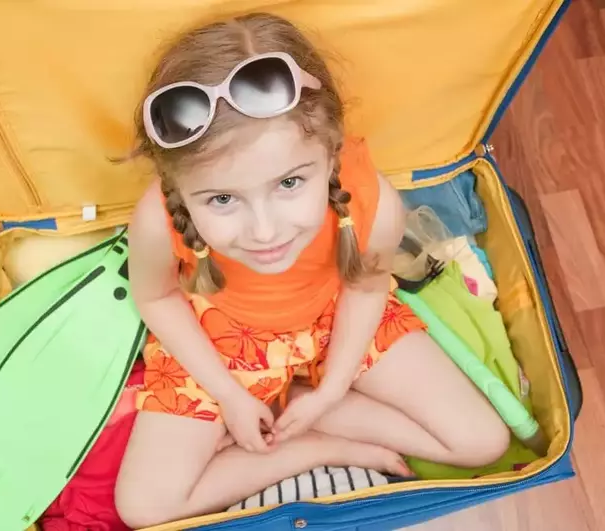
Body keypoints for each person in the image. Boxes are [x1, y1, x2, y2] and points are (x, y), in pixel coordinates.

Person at [115, 12, 509, 529]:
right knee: (143, 507)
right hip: (222, 342)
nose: (264, 231)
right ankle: (308, 447)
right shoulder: (155, 218)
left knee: (484, 442)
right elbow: (158, 297)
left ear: (330, 152)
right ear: (180, 187)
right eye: (222, 198)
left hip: (335, 318)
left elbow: (366, 291)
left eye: (289, 184)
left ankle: (299, 404)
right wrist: (233, 398)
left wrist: (329, 392)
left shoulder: (373, 201)